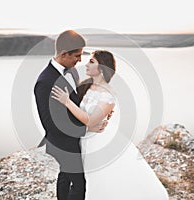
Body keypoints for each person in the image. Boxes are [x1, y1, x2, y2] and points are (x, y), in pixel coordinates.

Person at [51, 50, 169, 199]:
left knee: (99, 179)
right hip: (84, 138)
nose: (86, 64)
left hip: (99, 140)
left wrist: (66, 101)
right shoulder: (85, 86)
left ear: (102, 68)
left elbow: (90, 120)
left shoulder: (108, 94)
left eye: (91, 62)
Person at [34, 30, 107, 200]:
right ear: (64, 54)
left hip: (74, 140)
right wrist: (87, 128)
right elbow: (49, 123)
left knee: (65, 177)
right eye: (77, 55)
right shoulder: (44, 81)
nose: (80, 60)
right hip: (62, 143)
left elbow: (76, 102)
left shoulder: (72, 71)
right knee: (80, 184)